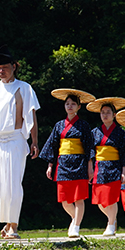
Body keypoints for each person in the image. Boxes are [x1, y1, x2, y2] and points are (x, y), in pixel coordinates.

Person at [0, 45, 40, 239]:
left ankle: (14, 225)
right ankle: (7, 223)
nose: (1, 70)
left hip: (16, 140)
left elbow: (31, 116)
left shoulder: (24, 88)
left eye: (4, 67)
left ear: (14, 66)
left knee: (14, 184)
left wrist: (34, 142)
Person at [39, 88, 95, 238]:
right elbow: (52, 146)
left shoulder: (83, 125)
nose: (69, 106)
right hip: (62, 164)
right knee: (64, 200)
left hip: (79, 163)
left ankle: (76, 226)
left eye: (73, 104)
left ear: (78, 107)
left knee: (79, 198)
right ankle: (75, 219)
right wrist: (50, 165)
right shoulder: (58, 125)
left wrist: (90, 167)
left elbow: (89, 147)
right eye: (67, 104)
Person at [87, 97, 125, 236]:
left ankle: (111, 224)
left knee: (111, 199)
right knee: (100, 200)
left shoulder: (120, 133)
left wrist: (124, 172)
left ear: (114, 115)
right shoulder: (95, 132)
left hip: (114, 167)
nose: (105, 115)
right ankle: (111, 219)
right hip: (99, 168)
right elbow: (90, 151)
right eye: (102, 112)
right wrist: (89, 169)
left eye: (108, 112)